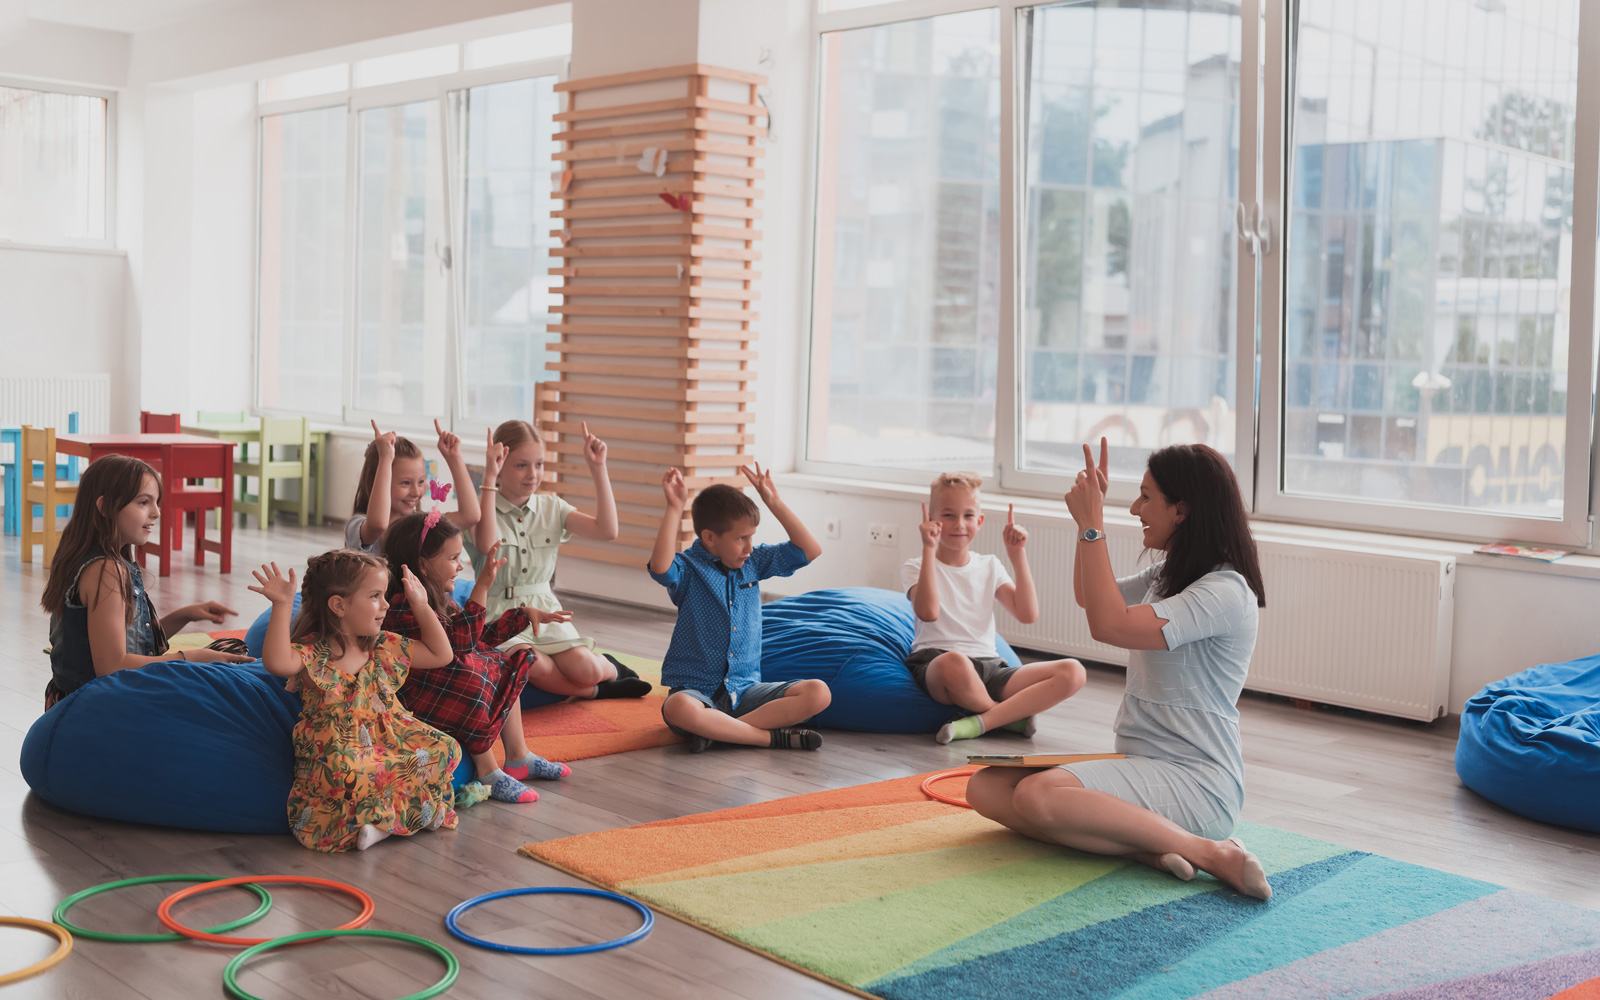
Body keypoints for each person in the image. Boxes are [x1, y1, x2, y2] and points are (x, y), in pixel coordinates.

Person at [966, 440, 1275, 900]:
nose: (1135, 508)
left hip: (1198, 782)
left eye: (1147, 497)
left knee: (1037, 797)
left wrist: (1094, 524)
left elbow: (1107, 625)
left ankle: (1212, 853)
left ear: (1183, 510)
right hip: (1140, 762)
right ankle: (1144, 849)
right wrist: (1087, 524)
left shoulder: (1225, 592)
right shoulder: (1169, 573)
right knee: (984, 789)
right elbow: (1090, 595)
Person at [250, 552, 462, 853]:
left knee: (446, 747)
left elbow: (443, 655)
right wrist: (282, 605)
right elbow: (277, 663)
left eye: (384, 595)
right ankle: (387, 823)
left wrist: (422, 605)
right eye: (375, 596)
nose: (386, 605)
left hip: (390, 734)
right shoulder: (314, 652)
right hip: (339, 744)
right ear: (339, 605)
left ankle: (394, 820)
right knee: (350, 770)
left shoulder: (383, 645)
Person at [381, 511, 574, 805]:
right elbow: (460, 645)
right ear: (423, 564)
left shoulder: (436, 598)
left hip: (440, 688)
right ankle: (488, 770)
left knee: (506, 659)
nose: (460, 566)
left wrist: (523, 616)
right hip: (415, 699)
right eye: (453, 558)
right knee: (468, 670)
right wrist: (481, 588)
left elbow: (475, 638)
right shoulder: (403, 606)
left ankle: (518, 755)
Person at [40, 455, 249, 708]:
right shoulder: (105, 570)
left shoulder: (93, 558)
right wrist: (188, 658)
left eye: (156, 502)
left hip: (80, 695)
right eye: (143, 502)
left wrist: (185, 615)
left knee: (229, 650)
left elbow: (130, 641)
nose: (157, 512)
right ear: (104, 507)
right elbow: (112, 667)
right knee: (228, 661)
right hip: (93, 704)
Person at [649, 463, 831, 752]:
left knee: (819, 692)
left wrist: (774, 502)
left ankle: (719, 730)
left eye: (751, 537)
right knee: (678, 708)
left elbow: (810, 550)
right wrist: (674, 508)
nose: (749, 547)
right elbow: (660, 568)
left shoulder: (754, 562)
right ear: (710, 537)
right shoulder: (688, 568)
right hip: (697, 692)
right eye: (740, 538)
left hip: (745, 692)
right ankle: (766, 738)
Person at [464, 418, 649, 700]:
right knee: (530, 663)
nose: (533, 474)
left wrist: (598, 468)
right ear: (500, 464)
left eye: (539, 464)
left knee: (585, 669)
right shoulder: (477, 510)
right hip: (498, 615)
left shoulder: (553, 506)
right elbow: (487, 544)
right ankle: (598, 692)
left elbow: (607, 530)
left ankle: (610, 669)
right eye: (521, 465)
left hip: (546, 609)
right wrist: (488, 478)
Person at [904, 472, 1087, 744]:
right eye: (948, 515)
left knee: (1073, 671)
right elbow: (928, 612)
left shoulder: (989, 564)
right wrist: (929, 549)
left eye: (968, 516)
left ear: (979, 521)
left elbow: (1027, 614)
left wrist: (1017, 555)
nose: (959, 524)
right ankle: (1006, 718)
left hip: (991, 668)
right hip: (938, 663)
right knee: (955, 661)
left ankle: (981, 722)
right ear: (932, 520)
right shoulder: (916, 566)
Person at [346, 419, 482, 555]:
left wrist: (454, 458)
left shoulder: (421, 525)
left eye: (421, 482)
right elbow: (378, 525)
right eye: (405, 483)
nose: (416, 492)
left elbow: (470, 516)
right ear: (373, 482)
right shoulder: (356, 525)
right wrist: (385, 459)